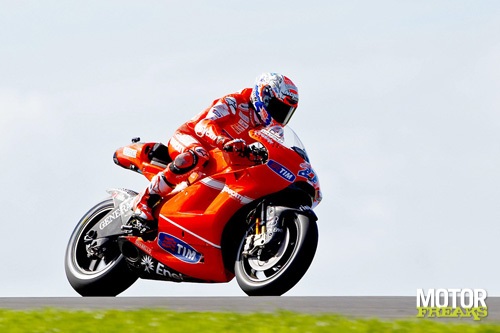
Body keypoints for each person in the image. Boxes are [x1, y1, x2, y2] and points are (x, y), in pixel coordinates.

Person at [131, 72, 299, 231]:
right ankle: (145, 199)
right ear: (265, 96)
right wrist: (222, 140)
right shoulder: (235, 102)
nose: (280, 117)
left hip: (221, 161)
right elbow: (204, 124)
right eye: (278, 108)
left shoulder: (272, 130)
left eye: (286, 113)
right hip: (192, 137)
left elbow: (276, 153)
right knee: (198, 155)